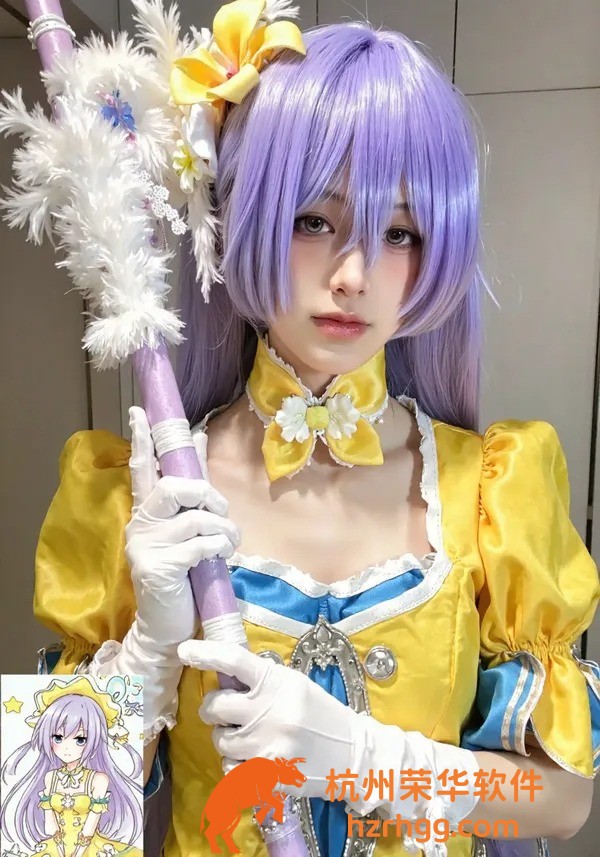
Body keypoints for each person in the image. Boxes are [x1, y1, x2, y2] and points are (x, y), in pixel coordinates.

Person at [32, 6, 599, 857]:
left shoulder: (489, 491)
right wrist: (147, 654)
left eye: (399, 232)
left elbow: (560, 800)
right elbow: (46, 819)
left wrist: (365, 760)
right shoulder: (145, 500)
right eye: (313, 220)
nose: (354, 274)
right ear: (242, 213)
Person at [0, 678, 143, 857]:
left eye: (80, 739)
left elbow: (90, 826)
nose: (67, 748)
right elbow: (50, 825)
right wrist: (60, 849)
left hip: (88, 848)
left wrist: (77, 853)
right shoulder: (50, 778)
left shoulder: (99, 780)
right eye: (58, 738)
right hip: (56, 847)